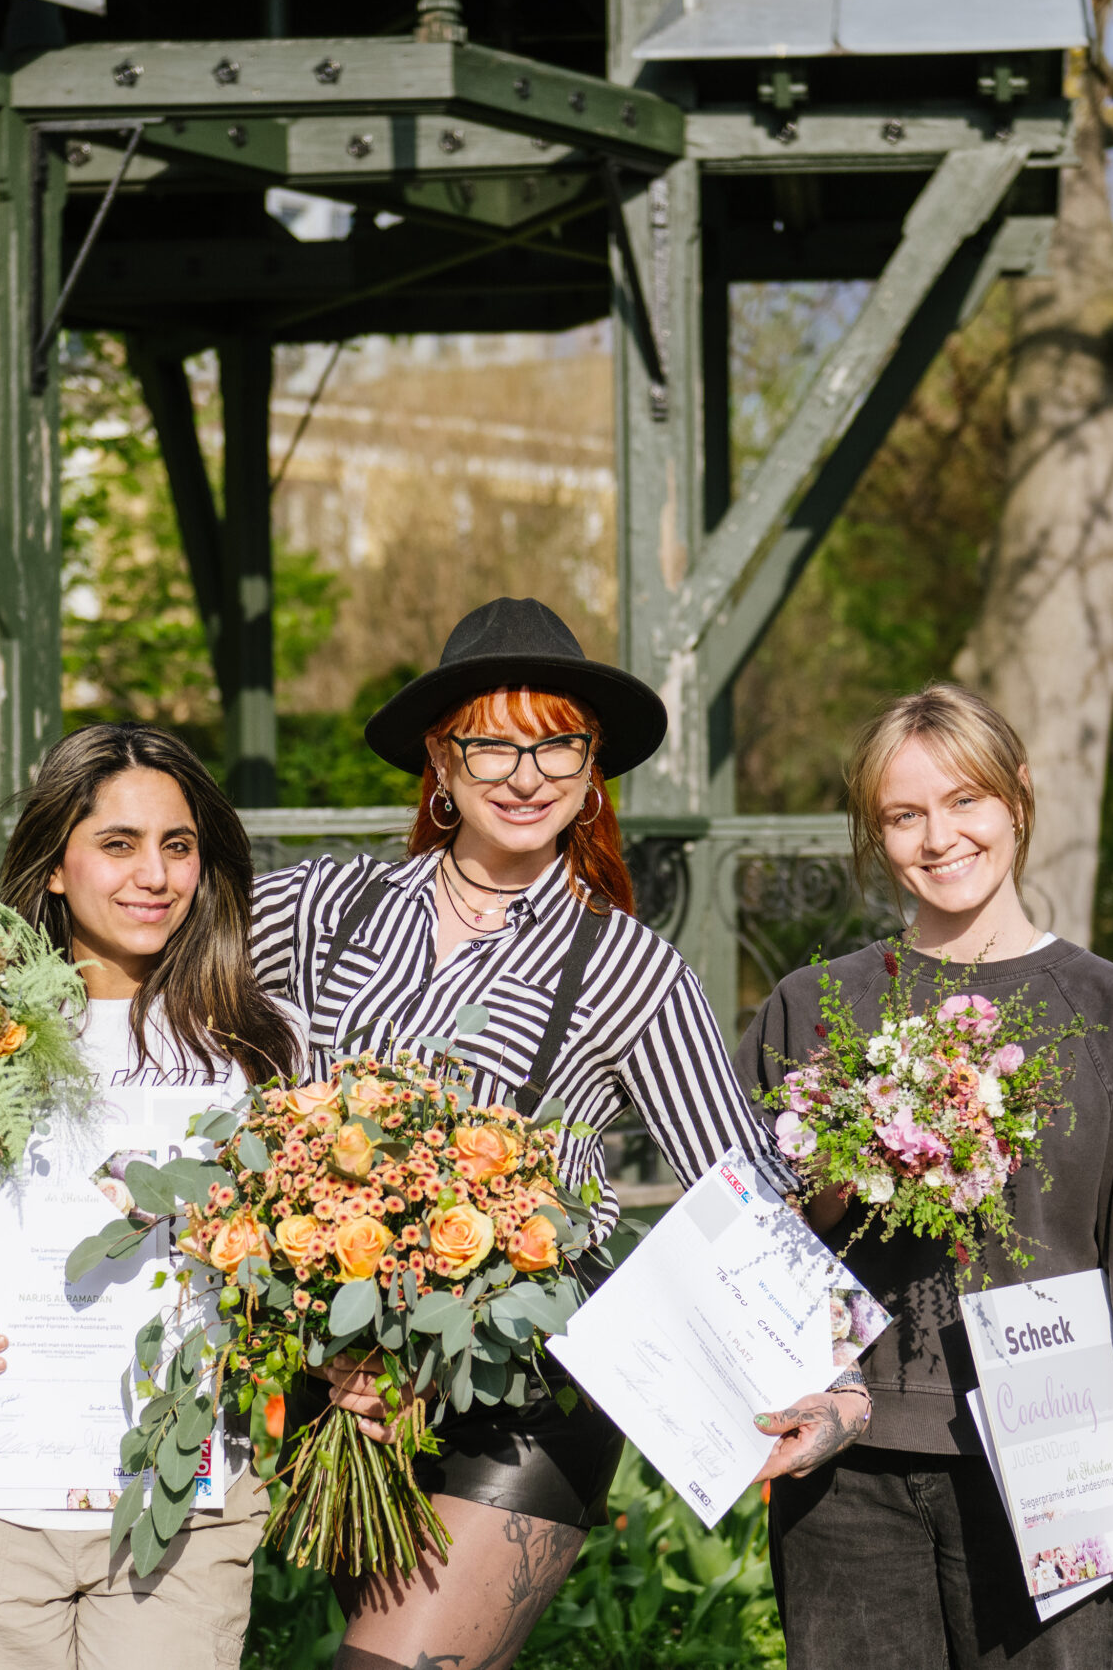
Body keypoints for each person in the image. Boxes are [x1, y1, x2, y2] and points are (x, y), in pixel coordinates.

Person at [249, 597, 842, 1670]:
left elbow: (747, 1178)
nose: (526, 774)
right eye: (493, 742)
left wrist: (880, 1152)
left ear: (591, 766)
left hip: (523, 1394)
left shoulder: (627, 968)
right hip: (345, 1387)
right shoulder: (322, 910)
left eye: (557, 743)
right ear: (440, 756)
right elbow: (159, 986)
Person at [737, 682, 1113, 1670]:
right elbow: (749, 1238)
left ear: (1017, 799)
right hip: (849, 1468)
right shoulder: (813, 1006)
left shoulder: (1111, 1010)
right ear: (875, 837)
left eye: (963, 800)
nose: (938, 836)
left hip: (1059, 1456)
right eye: (903, 814)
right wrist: (845, 1171)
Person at [0, 723, 301, 1670]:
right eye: (118, 843)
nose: (155, 875)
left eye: (177, 846)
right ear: (54, 864)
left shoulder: (261, 1044)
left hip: (177, 1507)